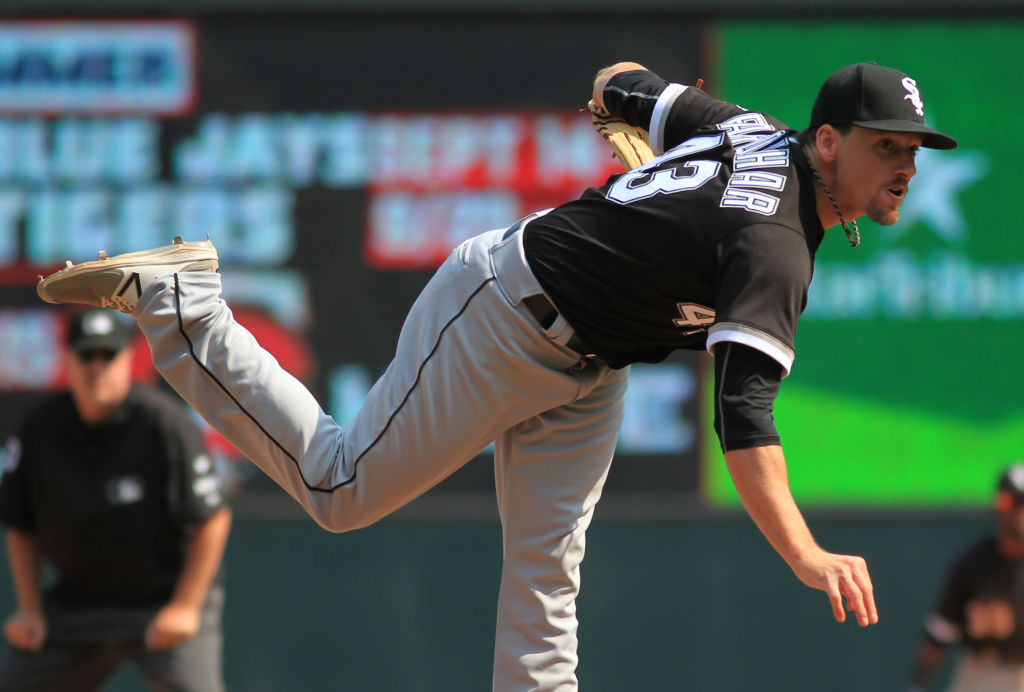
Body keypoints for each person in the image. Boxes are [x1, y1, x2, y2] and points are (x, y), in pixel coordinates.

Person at [34, 60, 957, 691]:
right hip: (506, 314)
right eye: (887, 146)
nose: (905, 167)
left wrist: (628, 130)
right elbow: (744, 423)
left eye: (913, 152)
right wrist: (805, 552)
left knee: (548, 582)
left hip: (591, 364)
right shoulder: (775, 246)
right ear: (828, 141)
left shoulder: (750, 131)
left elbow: (620, 84)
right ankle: (184, 307)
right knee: (340, 485)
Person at [0, 309, 232, 692]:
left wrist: (186, 608)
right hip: (80, 603)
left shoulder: (165, 423)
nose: (97, 367)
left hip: (162, 599)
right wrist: (30, 609)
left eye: (108, 355)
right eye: (85, 355)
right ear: (67, 361)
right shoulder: (39, 428)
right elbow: (20, 524)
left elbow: (213, 518)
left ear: (128, 359)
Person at [906, 463, 1024, 692]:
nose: (1021, 511)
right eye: (1014, 502)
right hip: (984, 673)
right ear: (1000, 505)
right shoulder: (973, 564)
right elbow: (940, 631)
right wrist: (917, 685)